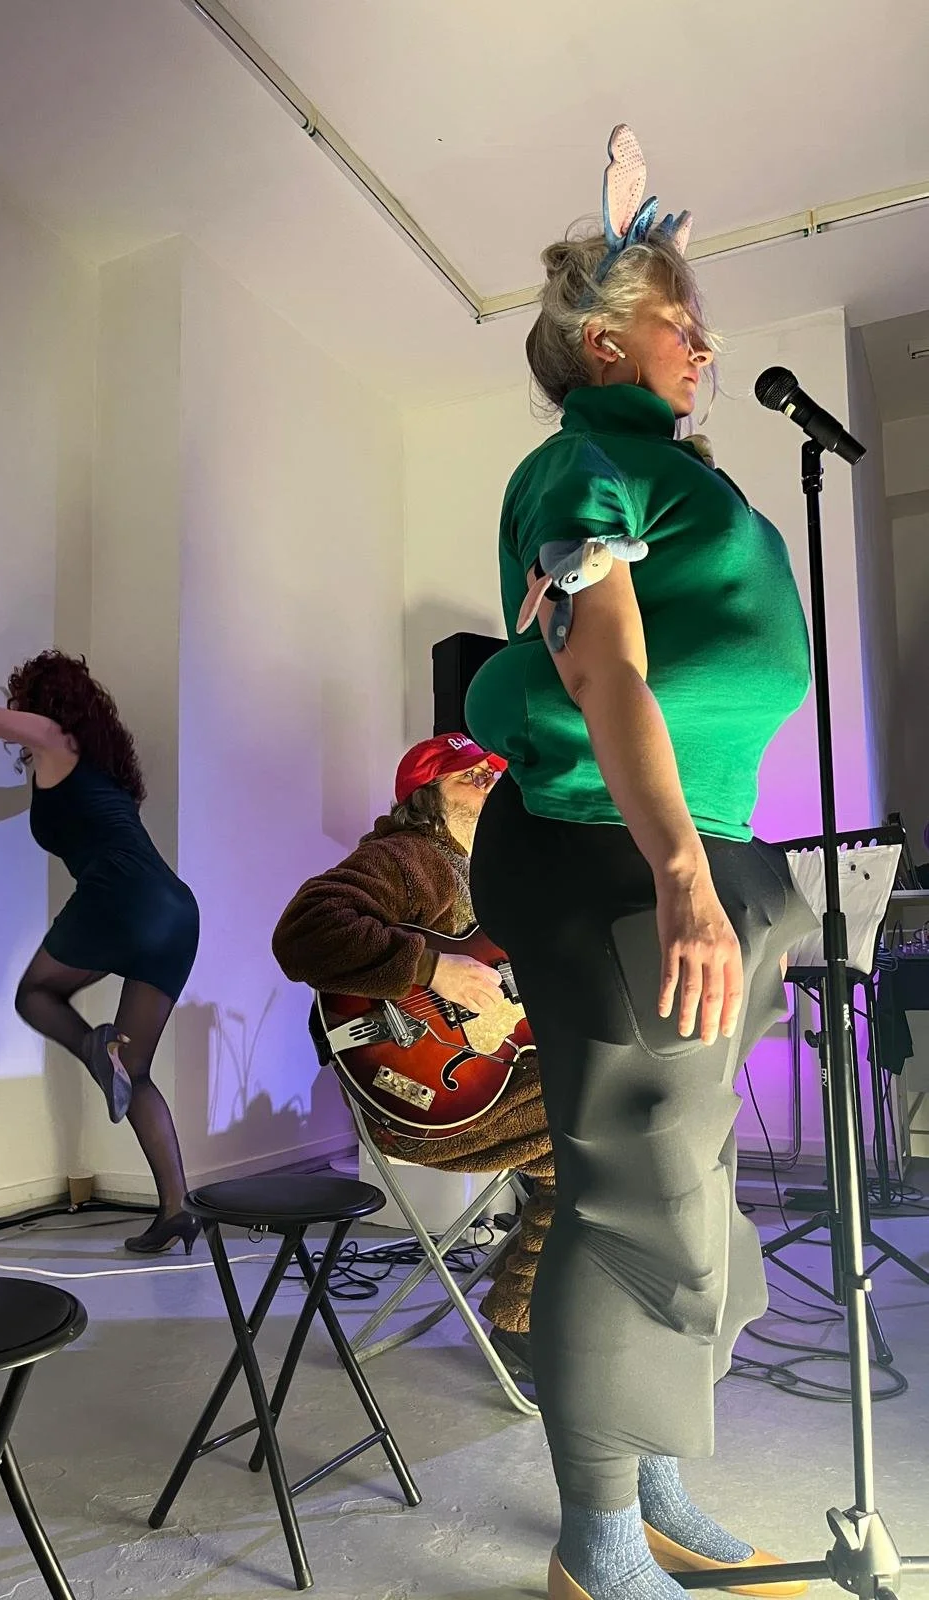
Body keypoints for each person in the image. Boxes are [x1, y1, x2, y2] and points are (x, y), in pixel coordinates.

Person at [464, 126, 816, 1600]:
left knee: (696, 1196)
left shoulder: (675, 476)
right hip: (612, 858)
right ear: (601, 342)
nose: (705, 344)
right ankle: (595, 1543)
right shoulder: (581, 467)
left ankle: (656, 1484)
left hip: (698, 849)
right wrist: (678, 877)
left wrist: (709, 870)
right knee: (629, 1203)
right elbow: (602, 672)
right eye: (680, 319)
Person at [0, 653, 201, 1255]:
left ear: (41, 701)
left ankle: (96, 1050)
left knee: (35, 993)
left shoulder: (55, 737)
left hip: (121, 898)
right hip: (176, 913)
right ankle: (176, 1210)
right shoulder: (102, 769)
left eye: (19, 698)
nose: (13, 710)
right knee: (133, 1073)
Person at [272, 732, 556, 1374]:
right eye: (468, 775)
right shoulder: (405, 856)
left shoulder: (497, 872)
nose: (489, 781)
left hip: (491, 1079)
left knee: (602, 1115)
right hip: (419, 1098)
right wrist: (430, 968)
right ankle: (525, 1321)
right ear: (424, 794)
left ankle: (547, 1295)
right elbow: (305, 931)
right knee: (594, 1131)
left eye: (493, 773)